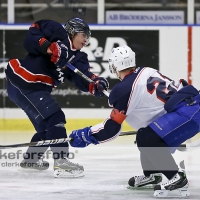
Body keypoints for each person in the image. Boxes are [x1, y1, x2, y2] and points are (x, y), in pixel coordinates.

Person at [69, 45, 200, 197]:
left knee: (146, 137)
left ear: (113, 66)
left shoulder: (124, 88)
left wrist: (87, 134)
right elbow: (154, 109)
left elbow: (111, 129)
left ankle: (177, 180)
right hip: (190, 107)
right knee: (147, 132)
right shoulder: (147, 71)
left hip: (188, 113)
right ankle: (152, 175)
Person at [5, 18, 109, 178]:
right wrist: (49, 47)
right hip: (25, 79)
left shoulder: (79, 58)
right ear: (73, 31)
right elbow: (32, 34)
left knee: (48, 130)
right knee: (56, 117)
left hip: (28, 89)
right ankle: (61, 161)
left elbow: (83, 77)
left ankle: (31, 160)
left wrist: (95, 83)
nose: (86, 40)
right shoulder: (57, 31)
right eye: (84, 35)